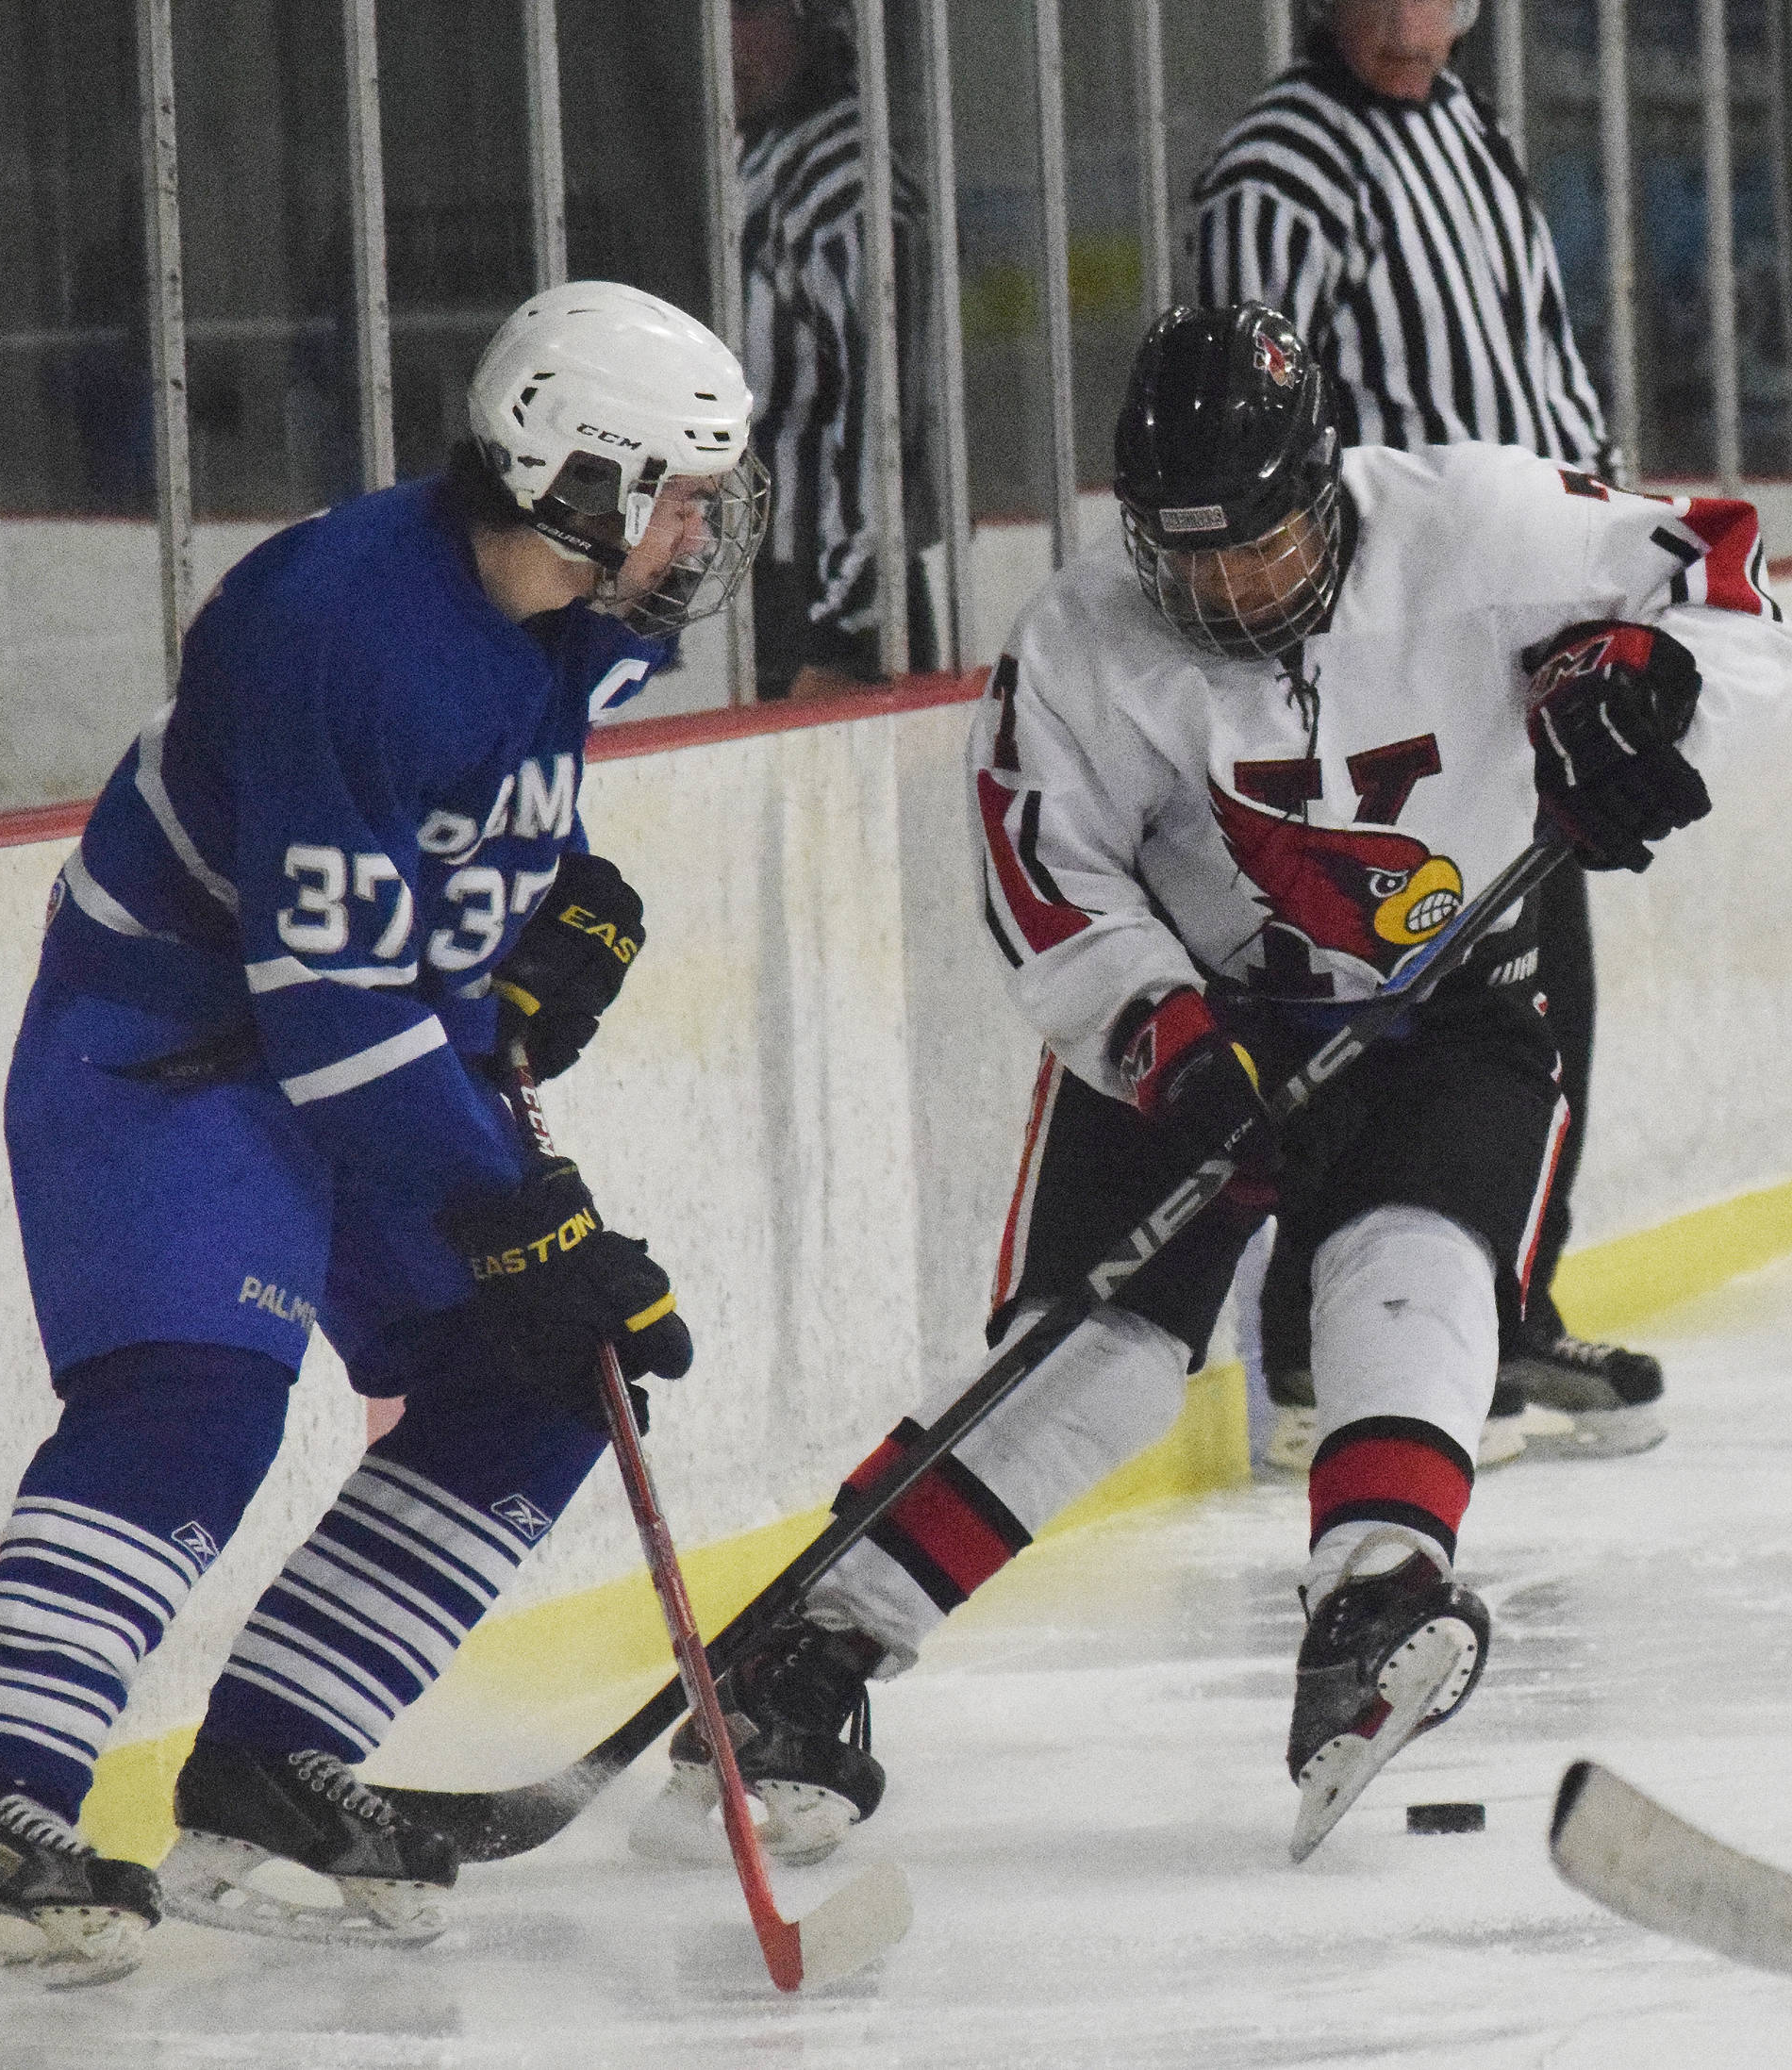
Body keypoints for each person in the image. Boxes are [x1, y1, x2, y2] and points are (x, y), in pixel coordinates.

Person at [643, 304, 1784, 1869]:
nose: (1230, 589)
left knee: (1421, 1265)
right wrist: (1162, 1042)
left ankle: (1375, 1607)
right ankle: (803, 1662)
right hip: (1200, 1026)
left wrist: (1652, 690)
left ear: (1325, 487)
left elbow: (1725, 571)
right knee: (1096, 1361)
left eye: (1258, 545)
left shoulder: (1484, 524)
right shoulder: (1082, 641)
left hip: (1452, 1005)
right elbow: (1049, 878)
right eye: (1191, 559)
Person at [0, 281, 768, 1981]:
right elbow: (329, 1006)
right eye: (673, 488)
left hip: (350, 1046)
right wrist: (517, 1215)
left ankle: (267, 1774)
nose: (696, 530)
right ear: (576, 479)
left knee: (544, 1376)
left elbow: (448, 841)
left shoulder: (572, 614)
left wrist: (556, 911)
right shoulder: (336, 626)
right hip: (171, 1049)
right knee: (194, 1400)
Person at [1193, 0, 1651, 1469]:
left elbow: (1545, 369)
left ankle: (1495, 1299)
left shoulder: (1468, 130)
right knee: (1363, 985)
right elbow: (1255, 449)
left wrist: (1614, 552)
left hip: (1518, 635)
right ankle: (1320, 1352)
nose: (1407, 19)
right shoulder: (1281, 165)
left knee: (1534, 995)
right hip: (1388, 657)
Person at [733, 0, 935, 700]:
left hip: (833, 603)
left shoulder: (847, 183)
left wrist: (846, 637)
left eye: (751, 13)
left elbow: (883, 433)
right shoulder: (759, 157)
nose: (728, 39)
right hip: (772, 584)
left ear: (819, 21)